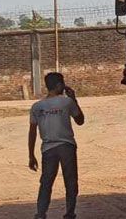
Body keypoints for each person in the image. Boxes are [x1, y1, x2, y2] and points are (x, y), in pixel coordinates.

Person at [29, 72, 85, 219]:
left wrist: (31, 155)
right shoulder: (67, 102)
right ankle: (70, 213)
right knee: (71, 181)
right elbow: (80, 120)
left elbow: (32, 132)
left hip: (48, 149)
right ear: (60, 85)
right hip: (66, 146)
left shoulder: (37, 106)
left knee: (46, 182)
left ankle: (41, 214)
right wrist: (74, 98)